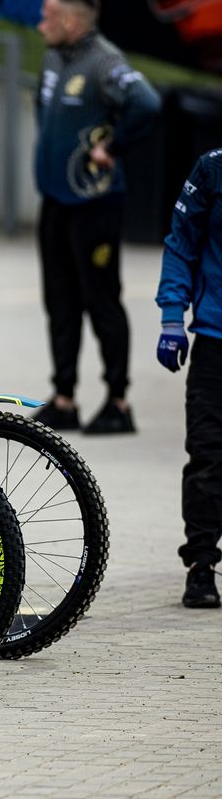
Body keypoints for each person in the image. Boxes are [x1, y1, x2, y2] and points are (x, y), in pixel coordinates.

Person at [32, 0, 160, 434]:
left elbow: (146, 103)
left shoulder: (105, 61)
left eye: (47, 16)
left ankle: (118, 402)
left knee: (101, 301)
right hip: (55, 201)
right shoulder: (53, 58)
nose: (39, 24)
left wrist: (112, 148)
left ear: (70, 19)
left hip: (95, 206)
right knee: (60, 302)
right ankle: (64, 398)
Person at [156, 148, 222, 609]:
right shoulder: (212, 168)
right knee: (207, 453)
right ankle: (201, 564)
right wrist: (171, 318)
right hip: (215, 339)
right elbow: (181, 241)